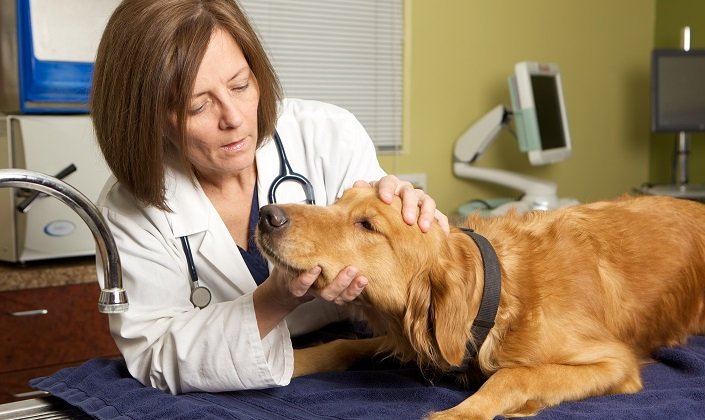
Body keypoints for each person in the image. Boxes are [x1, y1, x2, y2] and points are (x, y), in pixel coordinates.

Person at [89, 0, 448, 395]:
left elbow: (412, 280)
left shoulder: (327, 134)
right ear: (147, 116)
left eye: (240, 85)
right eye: (198, 105)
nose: (234, 118)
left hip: (357, 359)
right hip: (221, 384)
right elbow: (155, 356)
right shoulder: (127, 210)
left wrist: (418, 220)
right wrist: (275, 300)